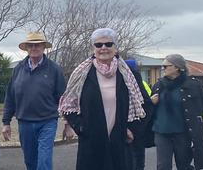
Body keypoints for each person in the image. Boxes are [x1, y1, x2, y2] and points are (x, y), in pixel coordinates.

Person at [59, 28, 146, 170]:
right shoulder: (82, 75)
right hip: (91, 141)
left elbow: (144, 105)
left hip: (120, 140)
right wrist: (81, 128)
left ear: (115, 47)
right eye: (98, 45)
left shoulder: (129, 75)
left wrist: (131, 129)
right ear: (93, 48)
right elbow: (68, 105)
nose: (103, 48)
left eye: (108, 44)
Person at [1, 32, 66, 170]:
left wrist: (68, 123)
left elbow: (63, 98)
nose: (34, 48)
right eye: (30, 45)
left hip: (47, 121)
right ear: (26, 48)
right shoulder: (18, 69)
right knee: (30, 161)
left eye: (37, 45)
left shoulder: (54, 69)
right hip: (25, 122)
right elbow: (10, 97)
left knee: (43, 160)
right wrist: (6, 122)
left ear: (43, 47)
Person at [150, 54, 203, 170]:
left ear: (177, 67)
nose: (163, 69)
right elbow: (148, 110)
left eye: (166, 66)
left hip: (182, 133)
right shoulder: (158, 85)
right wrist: (150, 103)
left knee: (184, 165)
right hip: (161, 132)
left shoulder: (193, 85)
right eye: (162, 66)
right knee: (163, 166)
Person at [124, 59, 153, 170]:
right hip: (136, 126)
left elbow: (147, 103)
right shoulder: (138, 80)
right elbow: (148, 103)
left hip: (133, 126)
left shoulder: (131, 80)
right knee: (136, 160)